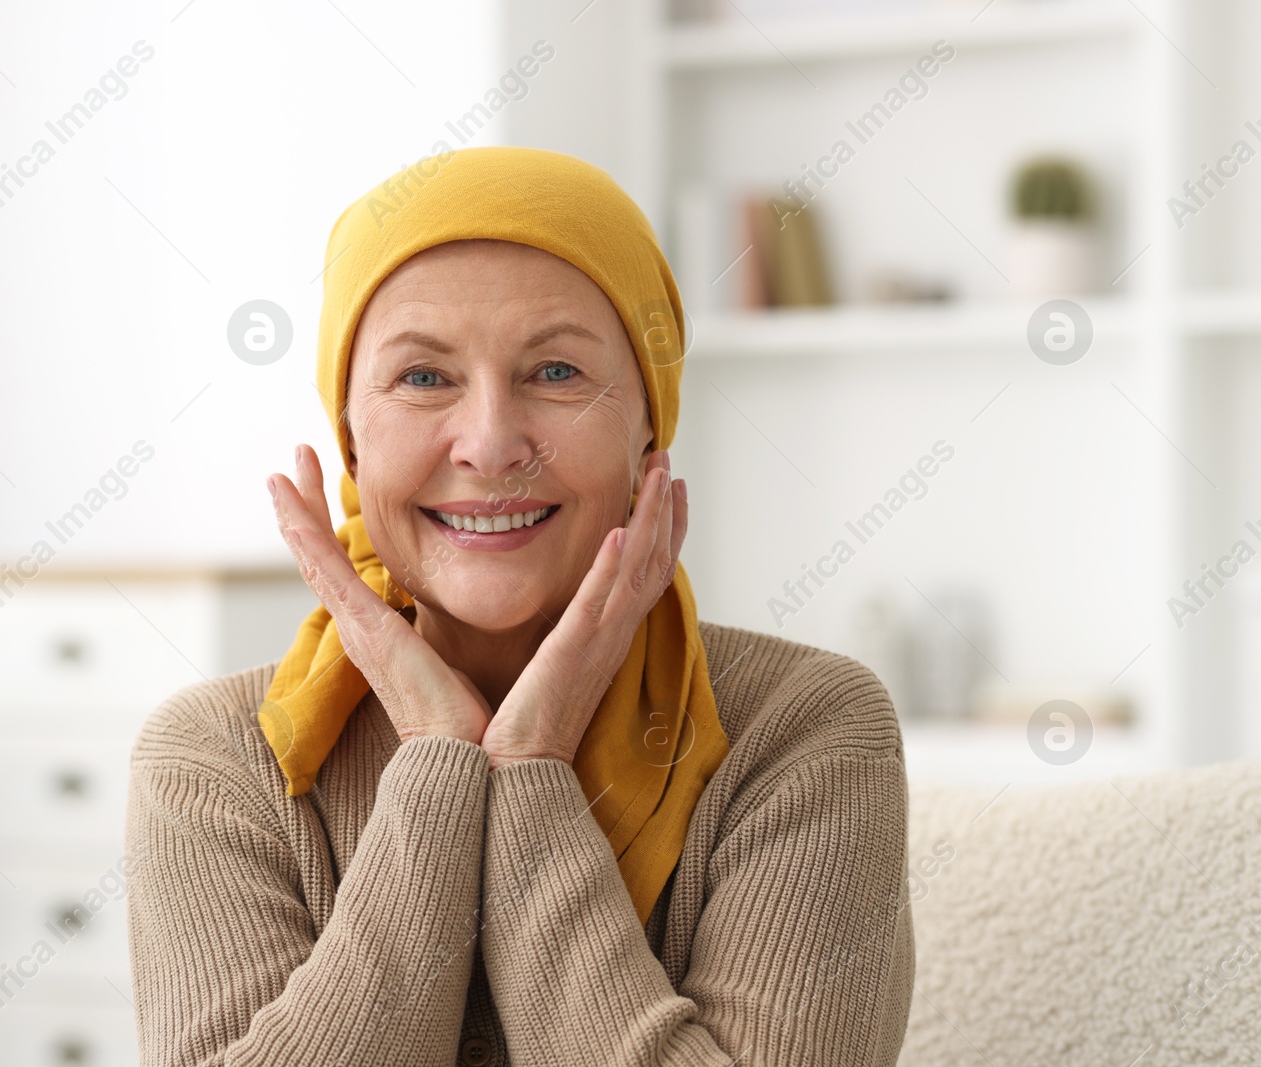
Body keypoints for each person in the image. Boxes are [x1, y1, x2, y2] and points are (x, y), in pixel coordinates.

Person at [125, 145, 915, 1066]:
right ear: (350, 438)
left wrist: (531, 767)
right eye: (423, 377)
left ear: (649, 424)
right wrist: (438, 765)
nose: (492, 443)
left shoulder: (804, 730)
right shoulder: (215, 758)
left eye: (556, 373)